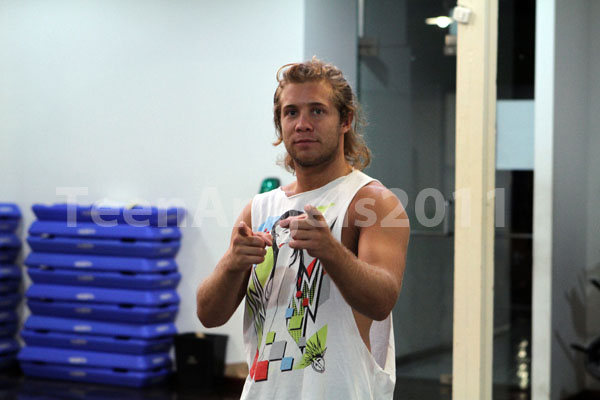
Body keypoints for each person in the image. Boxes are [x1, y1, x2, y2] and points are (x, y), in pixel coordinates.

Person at [196, 58, 409, 399]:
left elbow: (381, 301)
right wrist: (231, 265)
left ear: (346, 121)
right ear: (280, 125)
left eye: (317, 111)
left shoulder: (372, 202)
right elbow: (208, 315)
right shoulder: (258, 209)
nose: (303, 124)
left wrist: (330, 250)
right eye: (291, 112)